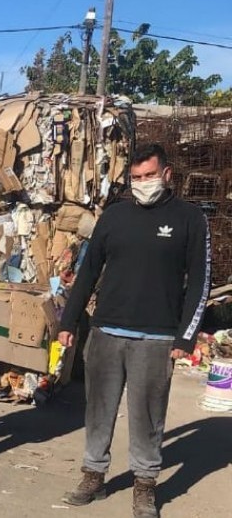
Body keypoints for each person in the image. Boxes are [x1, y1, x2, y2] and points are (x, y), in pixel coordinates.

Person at [58, 144, 210, 517]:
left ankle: (144, 485)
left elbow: (200, 284)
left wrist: (185, 337)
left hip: (156, 337)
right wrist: (68, 321)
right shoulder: (115, 216)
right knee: (98, 410)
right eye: (136, 178)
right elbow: (89, 270)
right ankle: (93, 474)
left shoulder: (190, 218)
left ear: (167, 174)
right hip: (106, 330)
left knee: (147, 416)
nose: (143, 184)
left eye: (149, 176)